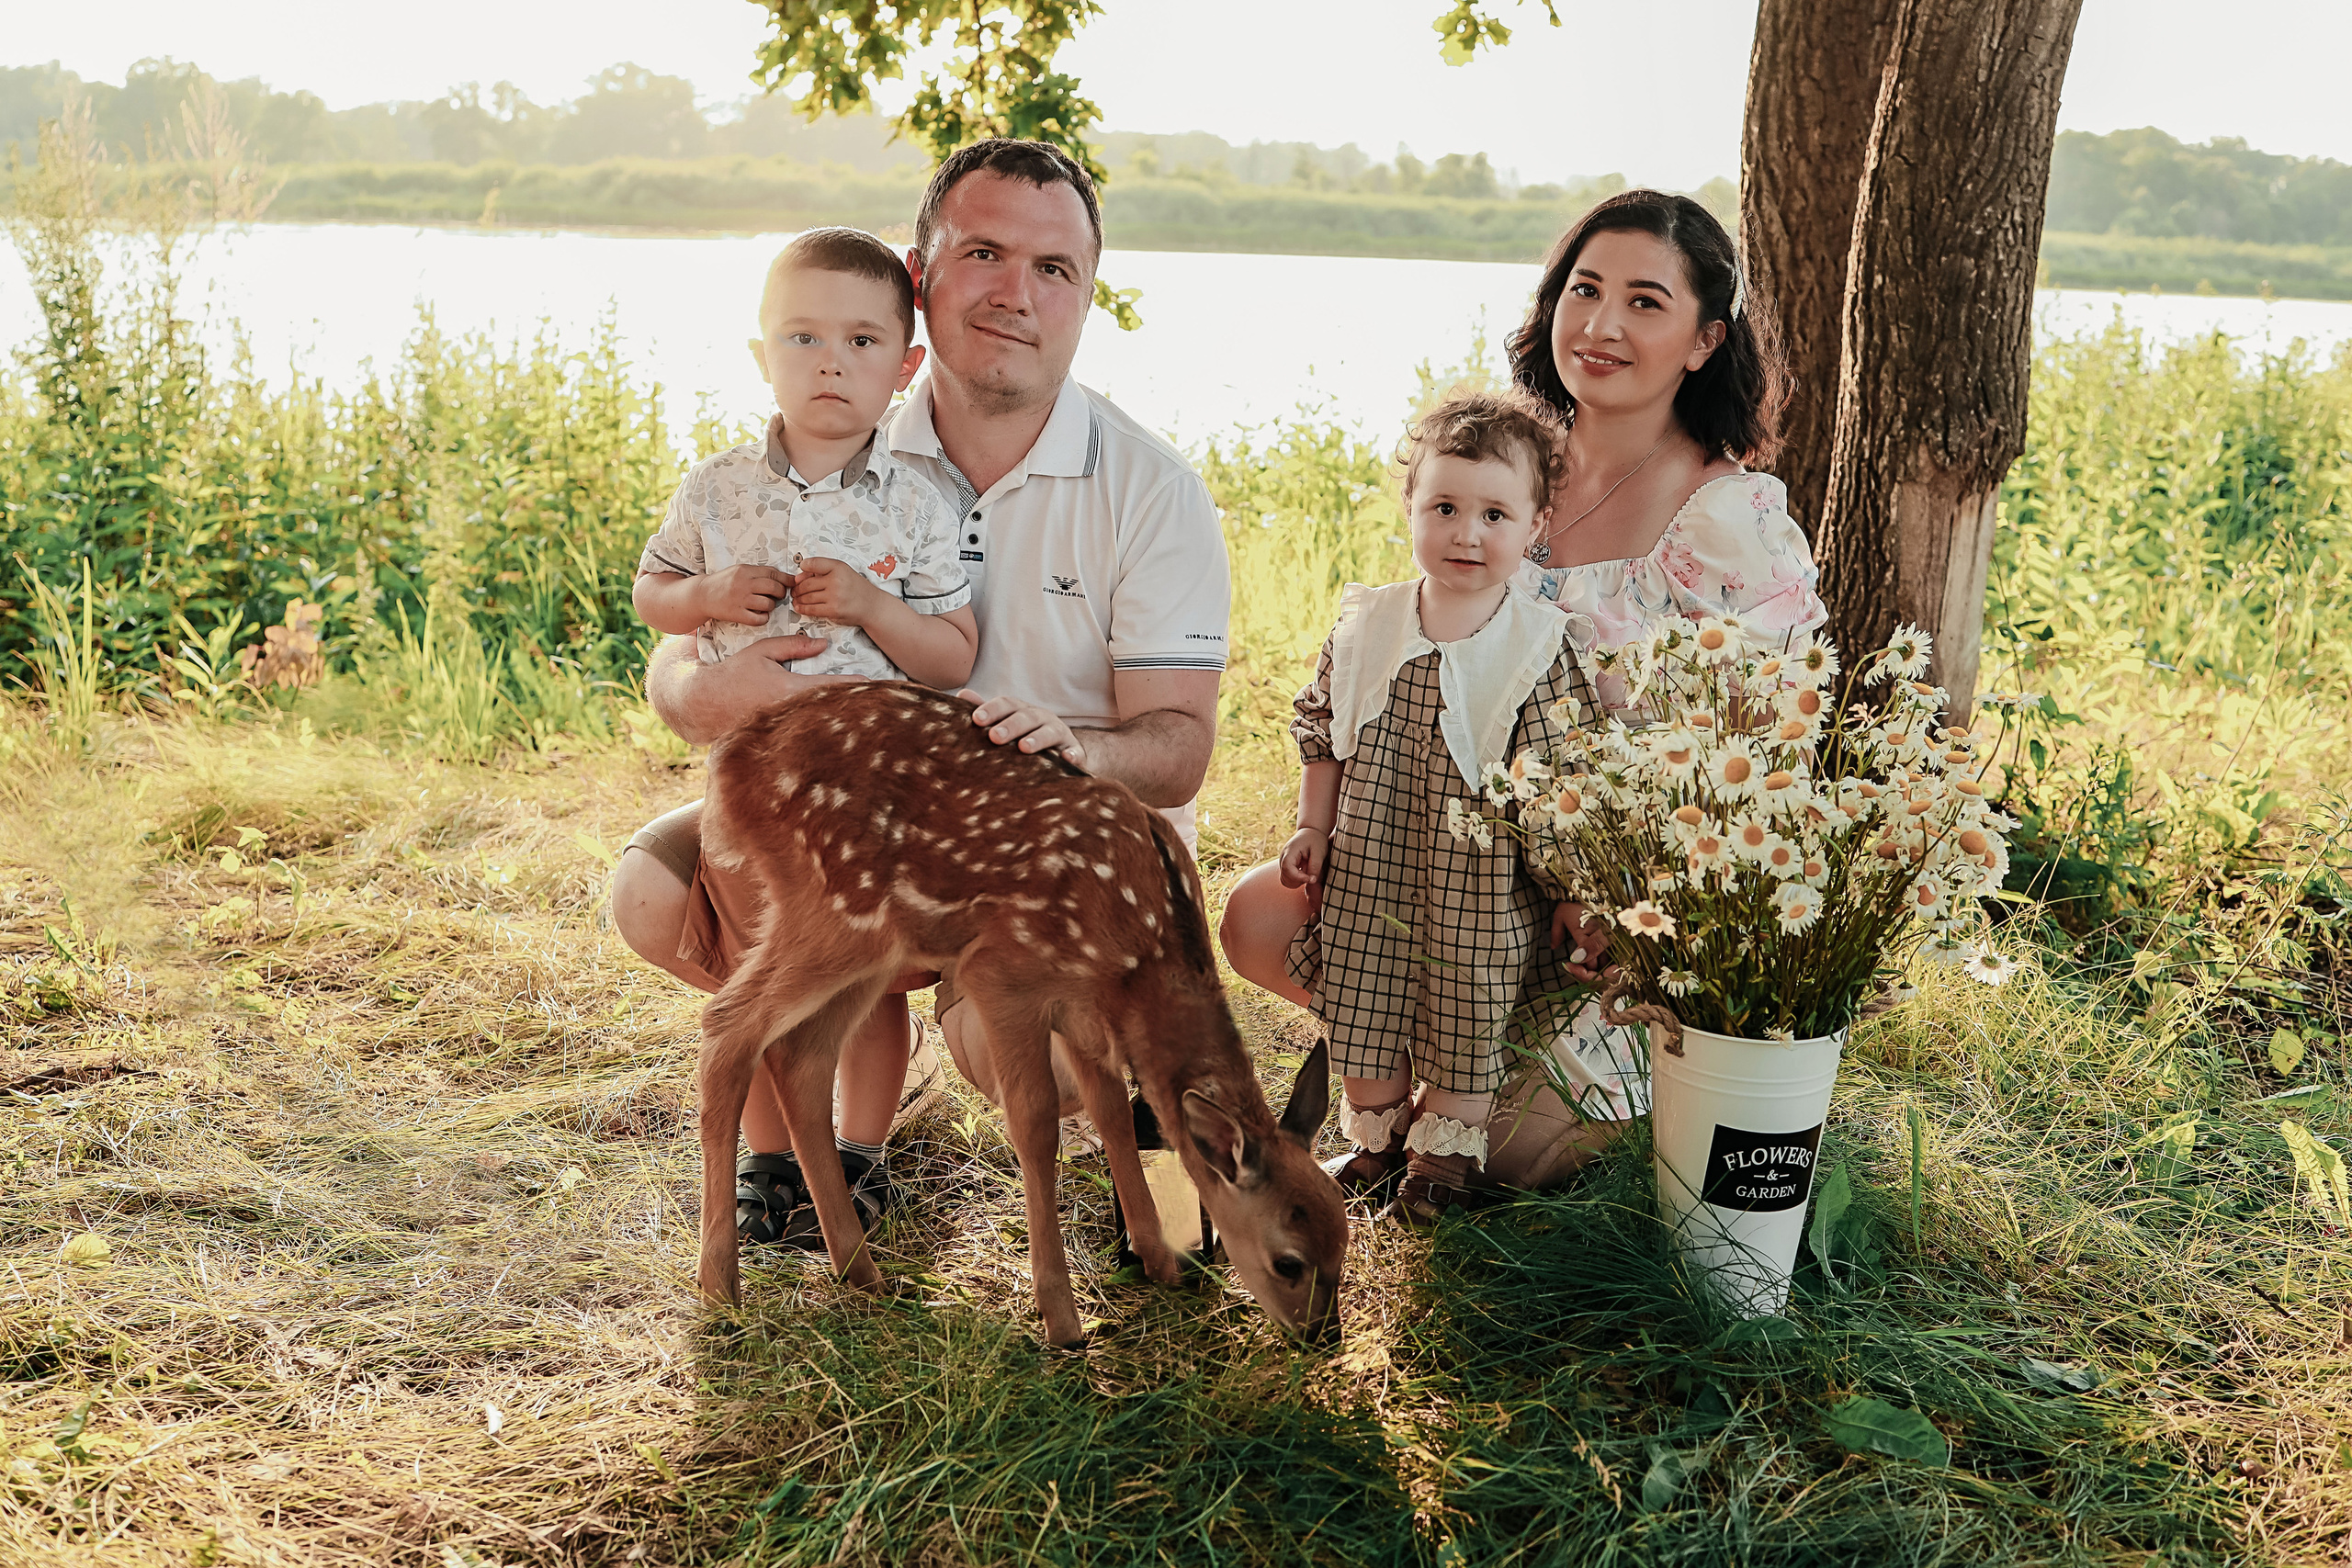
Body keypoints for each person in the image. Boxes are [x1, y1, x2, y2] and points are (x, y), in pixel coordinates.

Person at [609, 138, 1230, 1250]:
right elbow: (689, 625)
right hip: (857, 819)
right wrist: (693, 694)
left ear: (1088, 295)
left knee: (1034, 1061)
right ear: (921, 273)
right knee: (653, 894)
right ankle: (814, 1127)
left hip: (1045, 853)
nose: (1014, 294)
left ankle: (1124, 1149)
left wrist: (1075, 748)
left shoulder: (1152, 489)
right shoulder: (835, 425)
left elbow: (1178, 750)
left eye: (1054, 270)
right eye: (983, 253)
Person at [1221, 190, 1824, 1192]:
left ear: (1703, 340)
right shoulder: (1505, 472)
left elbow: (1772, 762)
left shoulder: (1731, 522)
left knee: (1509, 1152)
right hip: (1452, 873)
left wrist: (1635, 911)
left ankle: (1475, 1102)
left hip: (1614, 916)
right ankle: (1409, 1088)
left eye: (1643, 302)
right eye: (1583, 291)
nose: (1601, 325)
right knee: (1259, 918)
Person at [1275, 390, 1600, 1223]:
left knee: (1468, 1002)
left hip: (1481, 884)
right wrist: (1314, 823)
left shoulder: (1534, 640)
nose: (1467, 532)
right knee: (1364, 991)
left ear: (1535, 525)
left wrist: (1569, 887)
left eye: (1496, 513)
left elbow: (1562, 780)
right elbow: (1324, 731)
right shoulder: (1370, 623)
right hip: (1372, 865)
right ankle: (1377, 1140)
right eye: (1445, 507)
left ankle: (1439, 1160)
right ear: (1410, 509)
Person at [633, 225, 978, 691]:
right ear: (762, 359)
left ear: (906, 366)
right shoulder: (714, 485)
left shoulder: (918, 506)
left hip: (867, 754)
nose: (830, 363)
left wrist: (872, 606)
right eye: (802, 337)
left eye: (861, 341)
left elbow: (954, 663)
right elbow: (651, 594)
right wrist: (705, 594)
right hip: (745, 750)